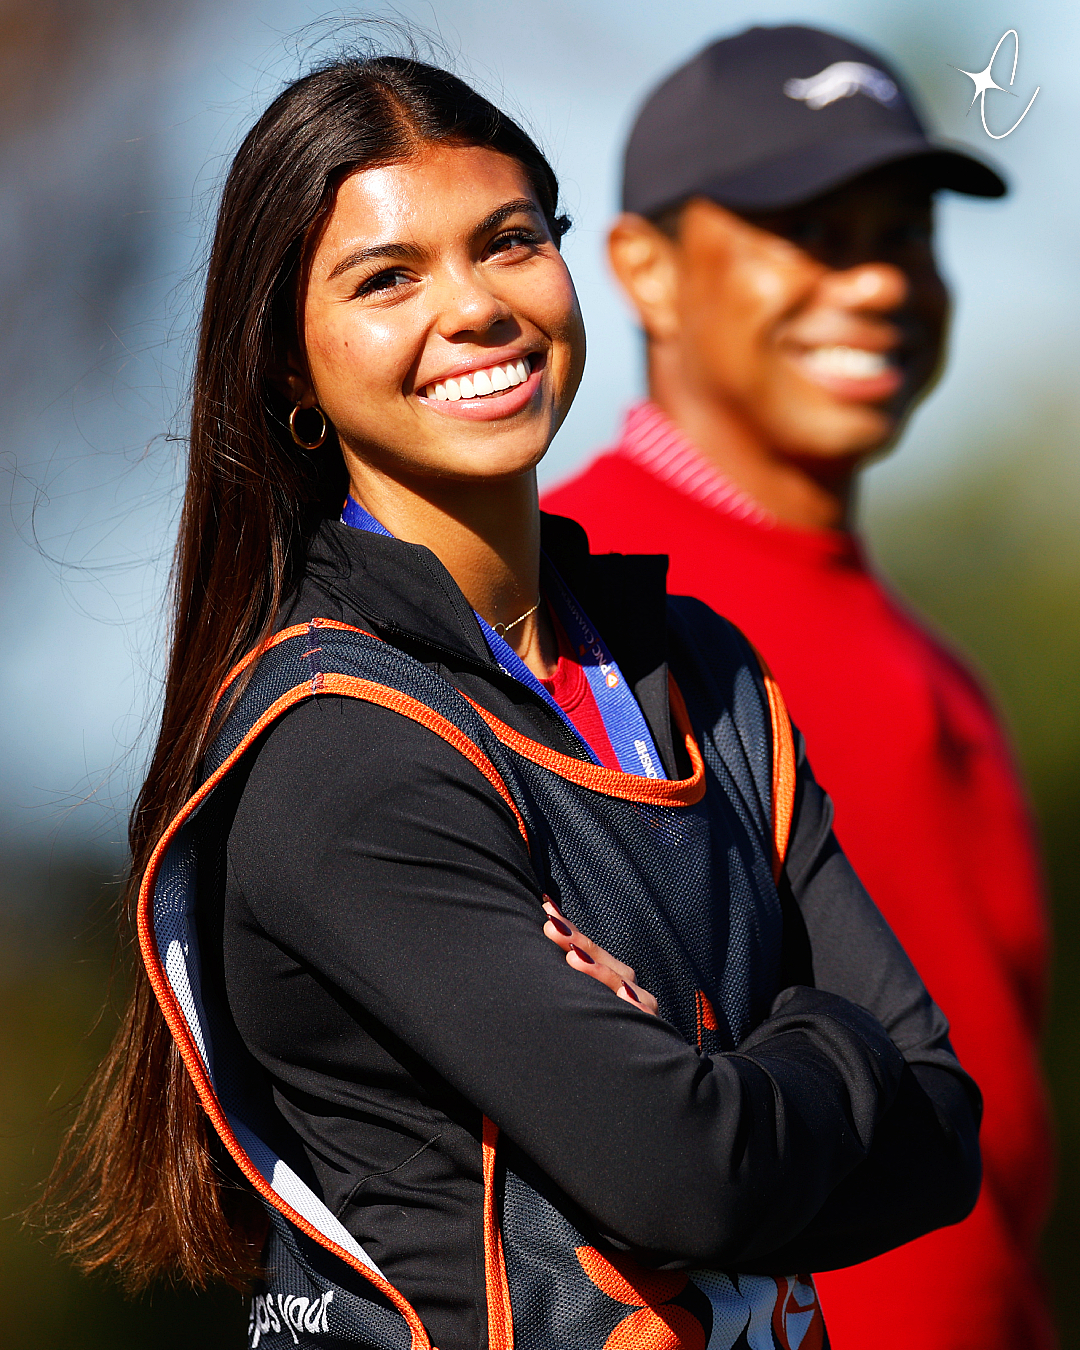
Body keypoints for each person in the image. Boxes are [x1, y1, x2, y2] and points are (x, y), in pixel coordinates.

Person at [49, 55, 981, 1350]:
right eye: (389, 277)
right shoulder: (340, 747)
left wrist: (718, 1069)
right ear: (289, 368)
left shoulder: (700, 666)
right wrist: (827, 1037)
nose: (475, 306)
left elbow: (945, 1132)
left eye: (508, 244)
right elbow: (688, 1176)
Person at [543, 24, 1053, 1350]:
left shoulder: (940, 668)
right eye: (815, 230)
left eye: (904, 231)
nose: (879, 279)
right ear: (644, 271)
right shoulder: (570, 611)